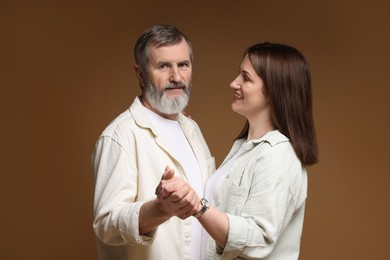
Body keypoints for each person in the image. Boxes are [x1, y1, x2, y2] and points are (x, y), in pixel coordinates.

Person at [157, 42, 319, 259]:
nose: (234, 83)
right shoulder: (243, 147)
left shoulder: (278, 154)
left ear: (273, 90)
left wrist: (198, 206)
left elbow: (258, 241)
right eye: (238, 74)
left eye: (246, 77)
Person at [92, 24, 215, 260]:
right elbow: (106, 226)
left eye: (183, 65)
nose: (176, 77)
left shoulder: (191, 128)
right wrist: (162, 209)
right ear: (140, 74)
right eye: (163, 66)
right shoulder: (120, 136)